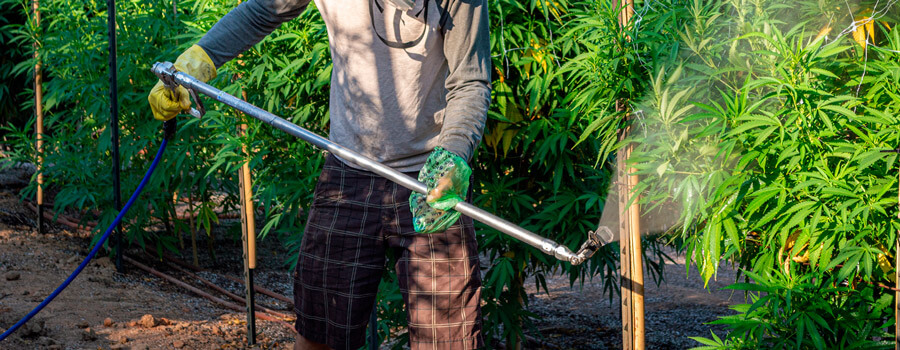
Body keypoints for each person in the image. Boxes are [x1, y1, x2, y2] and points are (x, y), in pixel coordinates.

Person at [147, 0, 491, 348]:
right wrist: (197, 62)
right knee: (319, 333)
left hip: (433, 179)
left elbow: (470, 80)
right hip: (348, 169)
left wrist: (454, 156)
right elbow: (262, 10)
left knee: (450, 340)